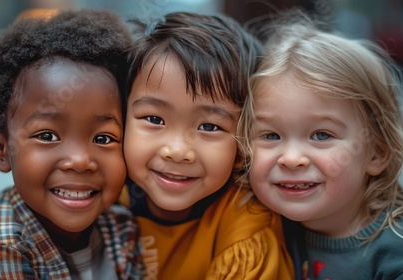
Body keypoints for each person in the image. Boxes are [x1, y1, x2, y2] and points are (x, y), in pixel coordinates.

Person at [0, 9, 144, 279]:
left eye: (103, 138)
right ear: (0, 151)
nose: (79, 160)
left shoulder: (121, 225)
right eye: (47, 136)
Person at [238, 11, 403, 280]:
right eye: (270, 136)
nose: (291, 159)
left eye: (321, 135)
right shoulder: (261, 228)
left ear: (377, 153)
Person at [120, 11, 294, 279]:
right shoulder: (102, 197)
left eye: (209, 127)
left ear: (245, 142)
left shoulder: (245, 230)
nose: (177, 151)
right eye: (154, 119)